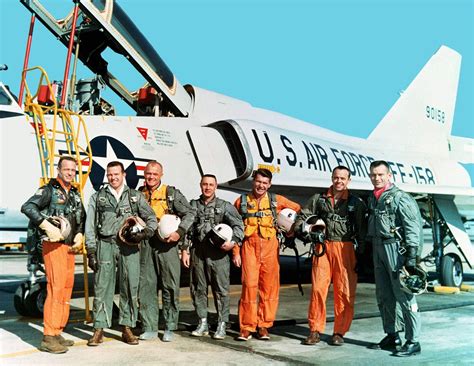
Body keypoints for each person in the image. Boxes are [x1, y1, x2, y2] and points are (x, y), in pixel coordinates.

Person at [85, 161, 157, 346]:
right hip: (105, 244)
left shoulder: (135, 196)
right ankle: (99, 328)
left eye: (116, 174)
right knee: (102, 287)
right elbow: (90, 226)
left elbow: (151, 218)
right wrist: (91, 251)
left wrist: (145, 233)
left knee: (130, 286)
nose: (113, 177)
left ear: (123, 174)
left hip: (129, 246)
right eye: (109, 174)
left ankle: (127, 327)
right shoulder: (98, 197)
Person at [295, 165, 367, 346]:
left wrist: (362, 256)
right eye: (336, 177)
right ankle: (315, 330)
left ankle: (339, 332)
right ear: (332, 178)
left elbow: (362, 231)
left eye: (343, 178)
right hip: (323, 247)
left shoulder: (355, 203)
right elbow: (302, 217)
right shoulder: (319, 199)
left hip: (346, 248)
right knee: (318, 289)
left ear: (348, 180)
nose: (339, 181)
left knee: (344, 293)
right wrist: (304, 232)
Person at [21, 156, 86, 354]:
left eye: (73, 170)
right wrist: (45, 224)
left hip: (68, 247)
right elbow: (28, 207)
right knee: (55, 288)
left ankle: (57, 330)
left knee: (66, 288)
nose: (70, 173)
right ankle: (48, 336)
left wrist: (80, 233)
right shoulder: (48, 190)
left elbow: (81, 217)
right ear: (58, 170)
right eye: (66, 169)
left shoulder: (74, 193)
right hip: (53, 245)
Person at [233, 168, 301, 341]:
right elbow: (235, 228)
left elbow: (297, 209)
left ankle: (263, 326)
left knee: (269, 288)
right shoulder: (241, 201)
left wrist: (290, 229)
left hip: (270, 247)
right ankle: (247, 327)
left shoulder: (276, 200)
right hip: (249, 246)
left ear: (269, 184)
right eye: (258, 182)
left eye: (265, 183)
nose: (261, 186)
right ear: (253, 181)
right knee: (249, 286)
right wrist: (236, 252)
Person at [367, 160, 422, 357]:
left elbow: (412, 227)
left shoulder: (400, 198)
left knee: (404, 295)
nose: (377, 178)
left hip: (395, 249)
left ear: (389, 176)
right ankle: (392, 335)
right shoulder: (374, 198)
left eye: (381, 175)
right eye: (373, 175)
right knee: (384, 295)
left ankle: (413, 340)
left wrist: (411, 256)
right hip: (378, 247)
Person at [137, 161, 196, 342]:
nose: (151, 177)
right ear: (144, 174)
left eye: (155, 174)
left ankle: (170, 326)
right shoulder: (139, 194)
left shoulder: (171, 194)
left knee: (170, 285)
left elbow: (190, 213)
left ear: (161, 175)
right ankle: (150, 327)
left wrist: (179, 233)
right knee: (146, 286)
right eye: (148, 174)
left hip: (167, 244)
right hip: (146, 243)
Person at [181, 174, 244, 340]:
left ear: (216, 187)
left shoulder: (224, 206)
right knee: (197, 288)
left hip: (218, 254)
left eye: (211, 185)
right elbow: (187, 228)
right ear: (200, 185)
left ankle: (222, 323)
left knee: (221, 289)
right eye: (204, 184)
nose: (207, 187)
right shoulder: (193, 205)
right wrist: (185, 250)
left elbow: (239, 226)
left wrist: (233, 242)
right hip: (198, 252)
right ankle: (203, 322)